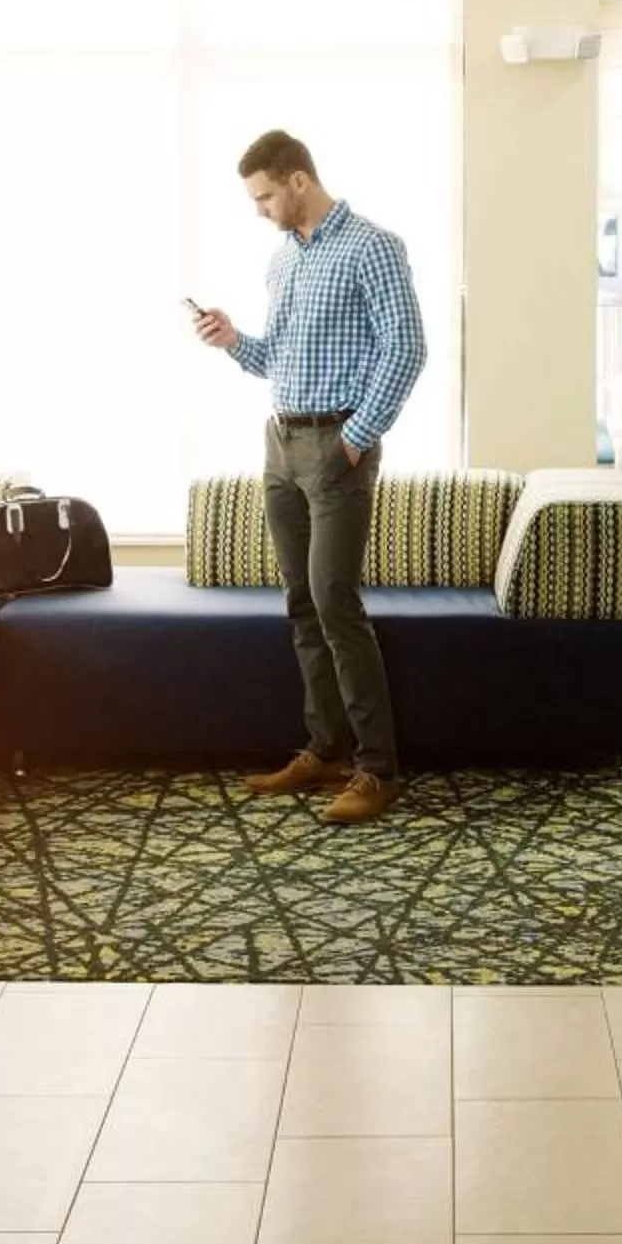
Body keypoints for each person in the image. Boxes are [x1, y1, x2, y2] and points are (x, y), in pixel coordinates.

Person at [190, 130, 427, 823]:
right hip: (281, 441)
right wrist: (234, 342)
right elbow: (279, 361)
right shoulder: (282, 260)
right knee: (300, 601)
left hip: (335, 445)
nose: (258, 208)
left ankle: (378, 770)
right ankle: (324, 749)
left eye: (264, 195)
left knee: (335, 602)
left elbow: (407, 348)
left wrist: (356, 439)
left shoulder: (373, 246)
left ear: (297, 181)